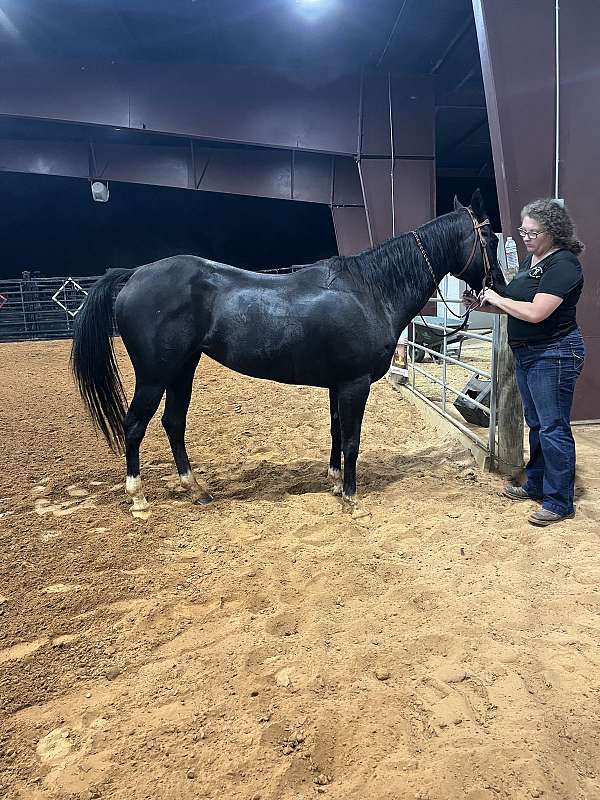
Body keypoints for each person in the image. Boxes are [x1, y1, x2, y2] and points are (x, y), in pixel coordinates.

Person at [463, 198, 585, 526]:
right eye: (523, 231)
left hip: (554, 353)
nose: (526, 237)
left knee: (553, 427)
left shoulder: (564, 265)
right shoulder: (534, 261)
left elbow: (536, 312)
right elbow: (516, 305)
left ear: (553, 232)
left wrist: (498, 297)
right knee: (537, 423)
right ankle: (536, 484)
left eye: (532, 232)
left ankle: (559, 501)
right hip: (529, 353)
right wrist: (483, 306)